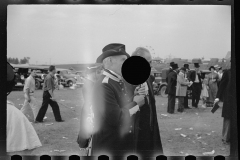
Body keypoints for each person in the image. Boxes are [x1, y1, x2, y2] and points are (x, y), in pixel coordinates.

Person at [91, 43, 146, 156]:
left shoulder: (115, 80)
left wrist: (132, 97)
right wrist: (136, 103)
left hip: (119, 144)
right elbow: (117, 118)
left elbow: (118, 105)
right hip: (109, 146)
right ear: (109, 60)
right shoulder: (104, 84)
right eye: (123, 60)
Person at [131, 47, 163, 157]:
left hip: (149, 130)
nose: (151, 65)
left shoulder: (148, 78)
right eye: (148, 62)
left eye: (151, 62)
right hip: (135, 133)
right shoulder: (126, 80)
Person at [7, 62, 42, 152]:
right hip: (29, 95)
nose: (35, 73)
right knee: (35, 107)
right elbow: (26, 88)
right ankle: (37, 118)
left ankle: (22, 116)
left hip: (30, 95)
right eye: (34, 72)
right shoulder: (29, 79)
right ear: (31, 72)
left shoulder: (33, 79)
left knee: (24, 108)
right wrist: (27, 96)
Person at [77, 65, 101, 150]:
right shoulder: (90, 84)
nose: (99, 74)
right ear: (93, 73)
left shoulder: (90, 83)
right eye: (98, 72)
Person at [214, 62, 231, 145]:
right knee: (228, 118)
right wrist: (217, 97)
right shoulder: (228, 72)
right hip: (230, 100)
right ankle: (225, 138)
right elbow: (222, 85)